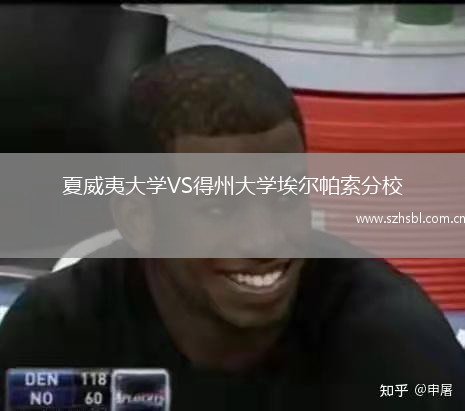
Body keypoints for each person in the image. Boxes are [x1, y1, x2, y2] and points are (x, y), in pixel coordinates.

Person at [1, 46, 464, 411]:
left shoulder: (396, 352)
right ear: (139, 220)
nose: (265, 240)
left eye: (285, 197)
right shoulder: (57, 333)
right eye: (219, 209)